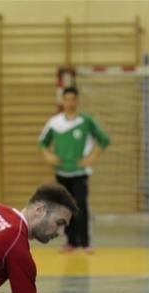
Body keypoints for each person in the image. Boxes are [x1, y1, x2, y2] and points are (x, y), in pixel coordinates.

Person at [38, 86, 110, 253]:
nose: (70, 103)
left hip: (79, 172)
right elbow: (42, 143)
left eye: (73, 100)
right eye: (67, 99)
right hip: (61, 172)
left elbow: (104, 140)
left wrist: (92, 157)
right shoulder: (55, 123)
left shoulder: (86, 121)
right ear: (62, 101)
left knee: (81, 206)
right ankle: (70, 241)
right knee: (64, 207)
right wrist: (49, 156)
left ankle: (85, 242)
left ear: (77, 101)